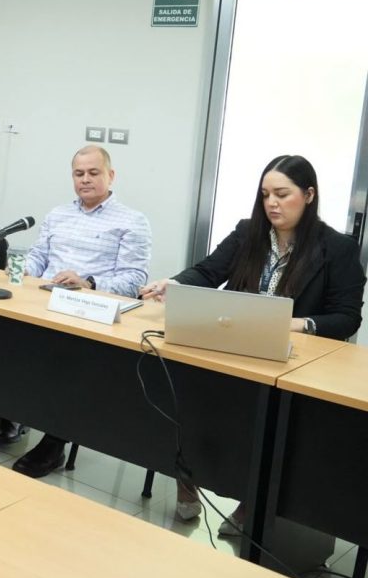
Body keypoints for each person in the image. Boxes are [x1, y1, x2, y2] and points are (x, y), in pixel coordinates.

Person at [140, 154, 365, 531]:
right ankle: (187, 477)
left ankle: (251, 501)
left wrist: (293, 324)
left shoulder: (337, 248)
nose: (272, 203)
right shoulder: (248, 233)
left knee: (265, 422)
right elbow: (208, 272)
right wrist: (174, 284)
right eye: (265, 195)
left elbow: (346, 317)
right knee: (185, 392)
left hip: (289, 361)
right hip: (233, 348)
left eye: (282, 194)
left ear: (309, 195)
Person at [8, 145, 150, 462]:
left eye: (93, 173)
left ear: (111, 176)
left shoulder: (132, 221)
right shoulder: (58, 214)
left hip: (88, 314)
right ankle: (11, 413)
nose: (85, 179)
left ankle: (54, 441)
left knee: (64, 365)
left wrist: (88, 282)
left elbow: (134, 279)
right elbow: (38, 256)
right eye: (78, 173)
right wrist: (23, 268)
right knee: (3, 340)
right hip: (42, 304)